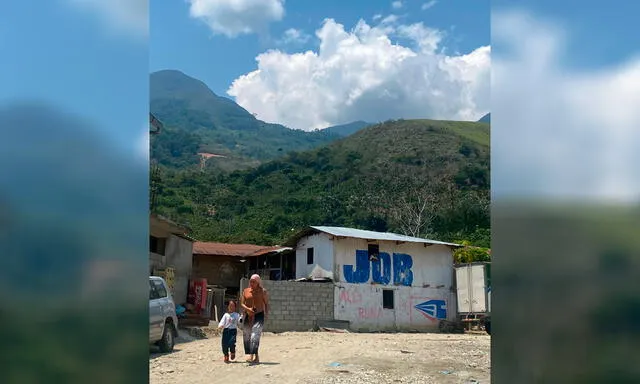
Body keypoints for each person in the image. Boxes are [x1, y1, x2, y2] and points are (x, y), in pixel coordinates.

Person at [240, 274, 269, 364]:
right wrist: (248, 309)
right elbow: (242, 303)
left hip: (259, 315)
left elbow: (266, 303)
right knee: (247, 335)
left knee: (255, 336)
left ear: (258, 282)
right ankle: (250, 355)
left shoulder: (262, 291)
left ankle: (256, 357)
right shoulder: (246, 291)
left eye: (254, 282)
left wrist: (266, 313)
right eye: (251, 281)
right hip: (248, 315)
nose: (251, 283)